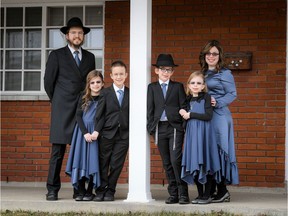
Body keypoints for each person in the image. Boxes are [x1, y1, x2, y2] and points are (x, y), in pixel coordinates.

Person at [44, 17, 95, 201]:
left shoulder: (89, 57)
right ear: (67, 35)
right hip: (62, 109)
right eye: (73, 32)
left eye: (80, 33)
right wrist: (57, 101)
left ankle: (79, 189)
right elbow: (48, 83)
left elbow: (91, 83)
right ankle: (52, 189)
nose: (77, 35)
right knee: (57, 152)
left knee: (81, 150)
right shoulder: (56, 55)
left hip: (83, 108)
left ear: (83, 36)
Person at [199, 39, 239, 203]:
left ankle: (222, 190)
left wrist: (218, 102)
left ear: (219, 56)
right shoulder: (203, 73)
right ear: (204, 55)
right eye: (208, 53)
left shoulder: (225, 73)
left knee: (220, 151)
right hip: (207, 116)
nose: (211, 56)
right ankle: (216, 190)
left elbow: (232, 94)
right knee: (210, 152)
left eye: (214, 53)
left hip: (220, 116)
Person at [147, 54, 189, 204]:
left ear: (172, 72)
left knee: (175, 159)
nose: (166, 72)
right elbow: (149, 109)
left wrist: (182, 124)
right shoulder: (151, 87)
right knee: (166, 162)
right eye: (163, 69)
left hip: (175, 128)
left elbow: (184, 105)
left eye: (169, 70)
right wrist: (151, 127)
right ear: (156, 71)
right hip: (159, 128)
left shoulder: (177, 87)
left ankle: (183, 193)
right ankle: (173, 194)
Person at [179, 71, 221, 204]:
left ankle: (207, 195)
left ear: (203, 86)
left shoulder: (207, 98)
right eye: (193, 83)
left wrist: (191, 114)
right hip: (192, 135)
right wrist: (182, 112)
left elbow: (208, 116)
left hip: (204, 135)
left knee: (205, 162)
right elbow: (184, 117)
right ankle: (200, 194)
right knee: (195, 162)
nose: (195, 85)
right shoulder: (187, 100)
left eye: (198, 83)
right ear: (189, 85)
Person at [93, 60, 129, 202]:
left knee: (116, 164)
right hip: (107, 133)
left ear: (126, 75)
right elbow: (99, 115)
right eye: (116, 74)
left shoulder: (130, 93)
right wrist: (97, 131)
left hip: (124, 135)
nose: (119, 76)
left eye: (121, 74)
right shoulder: (105, 93)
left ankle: (110, 190)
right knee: (104, 162)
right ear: (111, 76)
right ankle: (100, 190)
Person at [65, 70, 104, 201]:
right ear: (88, 84)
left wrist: (96, 131)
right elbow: (78, 116)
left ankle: (89, 192)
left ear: (103, 83)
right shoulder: (83, 97)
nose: (96, 85)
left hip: (95, 133)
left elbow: (103, 117)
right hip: (82, 133)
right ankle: (79, 191)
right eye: (92, 82)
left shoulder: (105, 97)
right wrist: (85, 132)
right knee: (81, 160)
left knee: (92, 160)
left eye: (98, 82)